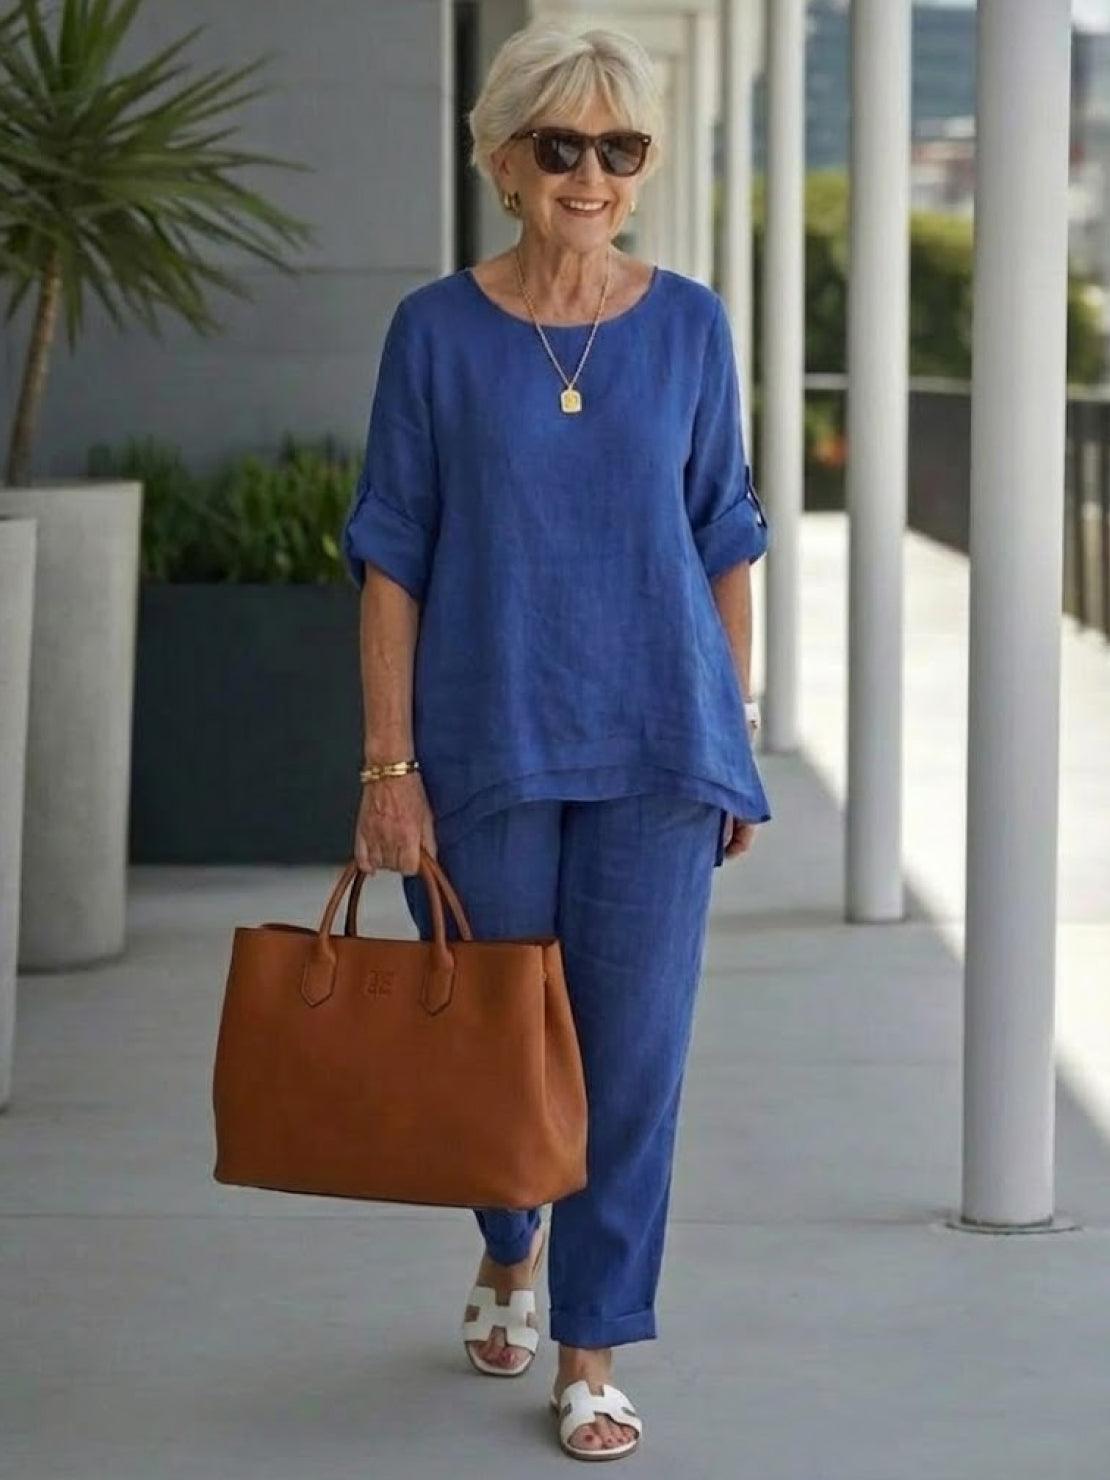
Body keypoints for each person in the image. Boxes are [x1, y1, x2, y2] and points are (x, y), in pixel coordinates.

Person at [340, 18, 771, 1464]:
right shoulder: (435, 332)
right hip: (483, 752)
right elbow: (391, 553)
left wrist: (733, 731)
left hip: (658, 746)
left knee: (630, 1063)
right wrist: (389, 768)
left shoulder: (691, 326)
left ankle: (591, 1348)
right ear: (503, 159)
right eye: (561, 144)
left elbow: (725, 538)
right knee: (498, 1054)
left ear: (642, 168)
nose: (591, 173)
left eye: (618, 147)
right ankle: (509, 1239)